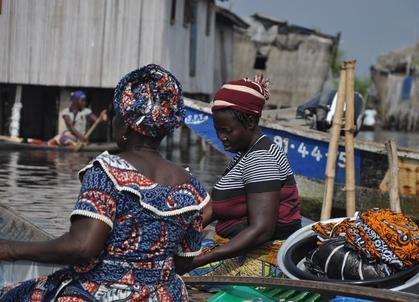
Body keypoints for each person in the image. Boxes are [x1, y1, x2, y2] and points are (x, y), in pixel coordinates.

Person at [0, 64, 209, 301]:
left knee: (13, 295)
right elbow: (185, 258)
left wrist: (10, 248)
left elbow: (82, 247)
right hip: (166, 294)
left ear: (127, 126)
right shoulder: (192, 187)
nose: (113, 122)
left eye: (117, 116)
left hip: (101, 293)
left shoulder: (108, 171)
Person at [189, 75, 301, 278]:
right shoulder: (245, 154)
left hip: (264, 258)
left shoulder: (261, 159)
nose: (222, 138)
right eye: (218, 131)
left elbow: (261, 230)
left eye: (228, 131)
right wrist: (183, 233)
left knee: (168, 275)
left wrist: (201, 259)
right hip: (243, 248)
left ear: (250, 121)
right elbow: (214, 206)